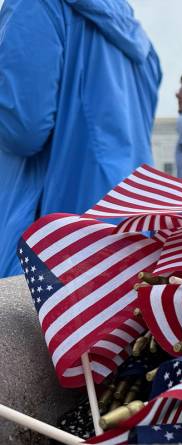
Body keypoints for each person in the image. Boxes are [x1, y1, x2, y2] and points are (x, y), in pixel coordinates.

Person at [0, 0, 162, 278]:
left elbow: (22, 131)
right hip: (133, 231)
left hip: (52, 243)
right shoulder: (140, 39)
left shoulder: (35, 5)